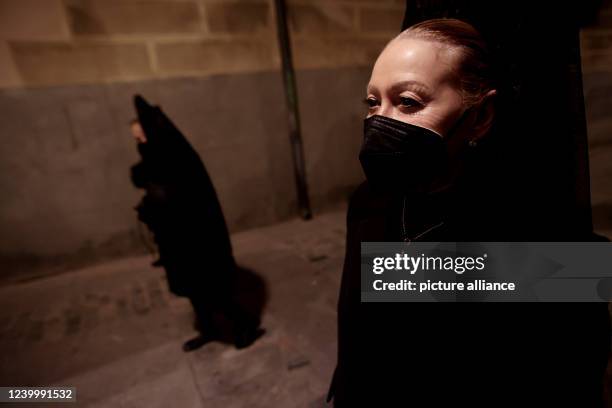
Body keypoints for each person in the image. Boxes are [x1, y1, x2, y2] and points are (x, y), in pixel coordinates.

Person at [327, 19, 611, 406]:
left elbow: (567, 371)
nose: (381, 121)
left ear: (480, 117)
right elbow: (359, 333)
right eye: (374, 102)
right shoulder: (367, 202)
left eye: (408, 102)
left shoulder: (536, 235)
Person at [129, 95, 263, 352]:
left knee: (215, 290)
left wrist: (157, 202)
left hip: (197, 240)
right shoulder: (155, 156)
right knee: (194, 292)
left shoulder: (178, 156)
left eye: (141, 136)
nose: (139, 142)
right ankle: (208, 329)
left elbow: (183, 198)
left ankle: (244, 326)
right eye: (135, 138)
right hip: (177, 241)